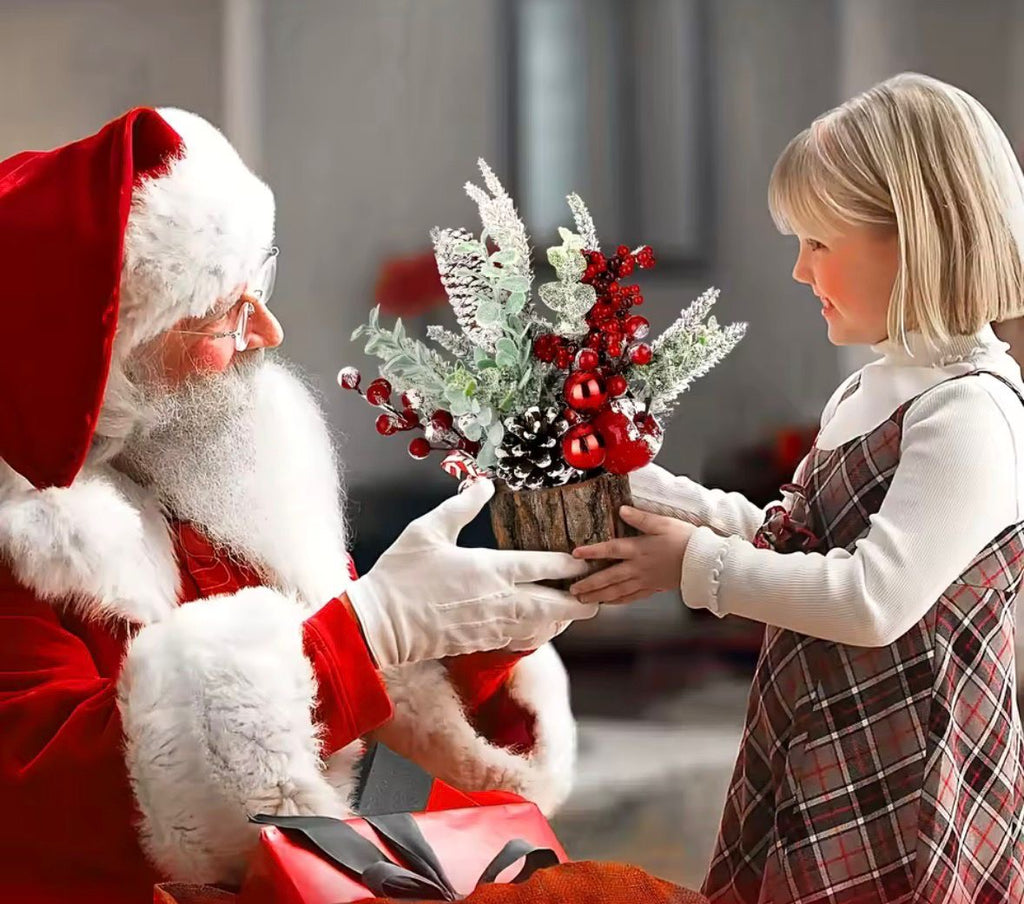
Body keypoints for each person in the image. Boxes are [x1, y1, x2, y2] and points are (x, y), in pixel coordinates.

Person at [0, 107, 596, 904]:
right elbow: (64, 807)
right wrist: (371, 630)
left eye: (263, 288)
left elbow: (371, 740)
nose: (270, 332)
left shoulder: (218, 477)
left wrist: (478, 648)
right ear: (111, 356)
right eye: (226, 315)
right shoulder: (24, 545)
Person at [573, 72, 1024, 903]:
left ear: (914, 238)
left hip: (903, 786)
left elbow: (869, 599)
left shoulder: (971, 414)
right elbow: (795, 542)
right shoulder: (869, 391)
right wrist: (650, 491)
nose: (796, 268)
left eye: (819, 241)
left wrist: (693, 569)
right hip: (821, 750)